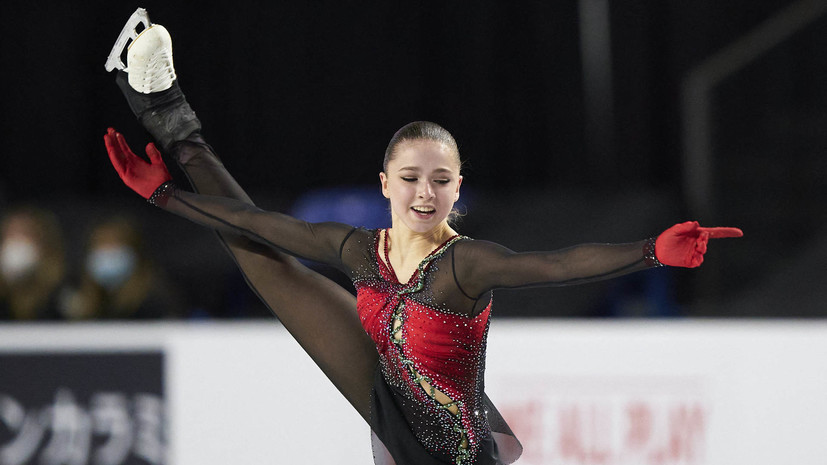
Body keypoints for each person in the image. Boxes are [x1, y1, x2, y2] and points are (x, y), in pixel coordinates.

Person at [103, 10, 742, 464]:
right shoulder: (360, 250)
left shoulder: (465, 265)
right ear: (385, 183)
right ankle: (167, 108)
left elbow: (555, 265)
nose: (424, 192)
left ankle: (168, 114)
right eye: (410, 178)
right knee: (269, 263)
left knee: (270, 262)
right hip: (387, 395)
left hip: (452, 458)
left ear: (458, 188)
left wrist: (650, 251)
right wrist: (166, 197)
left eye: (440, 180)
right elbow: (264, 225)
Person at [62, 216, 183, 320]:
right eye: (101, 244)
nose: (107, 252)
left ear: (134, 251)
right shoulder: (80, 303)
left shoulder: (156, 302)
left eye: (114, 244)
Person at [0, 206, 68, 320]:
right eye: (10, 234)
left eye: (25, 233)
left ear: (45, 243)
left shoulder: (61, 299)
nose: (17, 242)